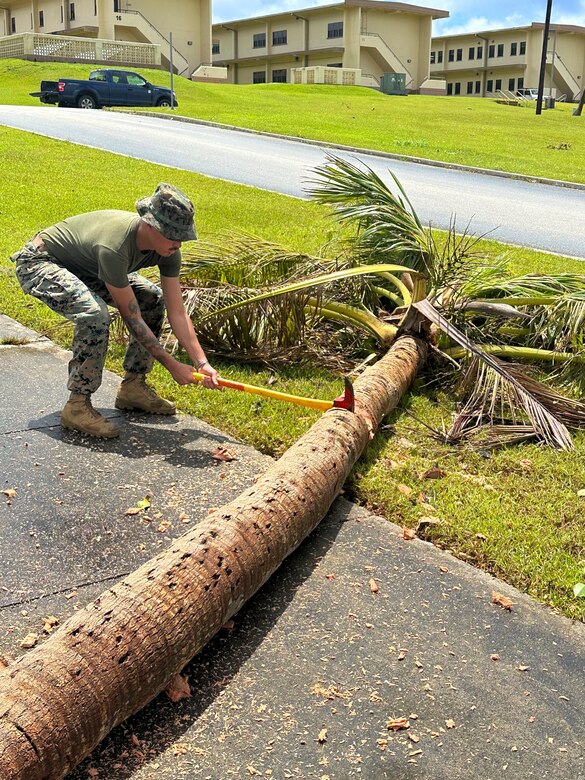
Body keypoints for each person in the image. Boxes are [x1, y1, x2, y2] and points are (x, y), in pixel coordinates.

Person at [11, 182, 219, 439]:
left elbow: (178, 312)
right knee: (94, 315)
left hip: (86, 267)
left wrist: (202, 363)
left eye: (182, 235)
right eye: (172, 233)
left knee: (152, 299)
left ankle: (133, 387)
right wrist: (172, 365)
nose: (179, 242)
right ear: (151, 225)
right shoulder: (115, 246)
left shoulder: (169, 250)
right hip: (41, 262)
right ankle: (77, 406)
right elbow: (131, 317)